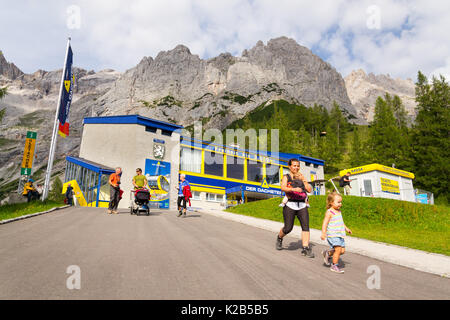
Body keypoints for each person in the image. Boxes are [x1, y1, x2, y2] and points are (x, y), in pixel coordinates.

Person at [276, 159, 314, 257]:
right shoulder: (286, 176)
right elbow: (283, 188)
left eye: (297, 166)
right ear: (289, 166)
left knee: (305, 226)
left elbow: (309, 190)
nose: (296, 167)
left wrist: (304, 180)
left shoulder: (301, 177)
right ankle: (279, 238)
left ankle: (306, 248)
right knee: (288, 228)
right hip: (290, 204)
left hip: (302, 205)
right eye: (294, 165)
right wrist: (293, 189)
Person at [320, 192, 352, 273]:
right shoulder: (329, 212)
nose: (340, 204)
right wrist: (323, 233)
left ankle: (327, 253)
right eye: (338, 202)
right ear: (331, 202)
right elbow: (325, 223)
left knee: (342, 251)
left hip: (340, 234)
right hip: (333, 235)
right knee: (338, 250)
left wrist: (346, 228)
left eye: (341, 202)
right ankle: (334, 266)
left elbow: (341, 222)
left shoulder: (339, 211)